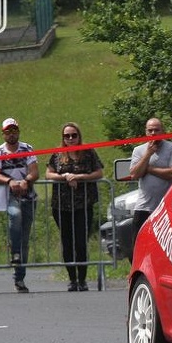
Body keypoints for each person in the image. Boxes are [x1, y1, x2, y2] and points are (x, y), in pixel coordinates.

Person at [45, 122, 104, 292]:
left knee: (81, 242)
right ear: (63, 138)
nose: (70, 139)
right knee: (67, 242)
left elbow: (99, 173)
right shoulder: (57, 154)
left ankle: (83, 279)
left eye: (73, 135)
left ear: (79, 136)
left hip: (83, 204)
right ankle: (72, 279)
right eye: (67, 136)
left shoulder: (88, 152)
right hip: (61, 205)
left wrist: (80, 176)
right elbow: (48, 174)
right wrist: (64, 176)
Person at [0, 118, 38, 294]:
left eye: (14, 130)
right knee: (15, 216)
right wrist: (9, 181)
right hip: (8, 196)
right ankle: (14, 251)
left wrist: (26, 181)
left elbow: (34, 171)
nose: (12, 134)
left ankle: (19, 278)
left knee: (25, 238)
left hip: (28, 196)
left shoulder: (27, 148)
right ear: (3, 133)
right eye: (8, 131)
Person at [129, 118, 172, 247]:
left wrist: (148, 169)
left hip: (166, 208)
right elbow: (135, 174)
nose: (153, 133)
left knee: (163, 246)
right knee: (138, 246)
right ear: (146, 132)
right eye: (150, 130)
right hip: (143, 207)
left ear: (163, 131)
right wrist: (148, 154)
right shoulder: (138, 151)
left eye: (156, 130)